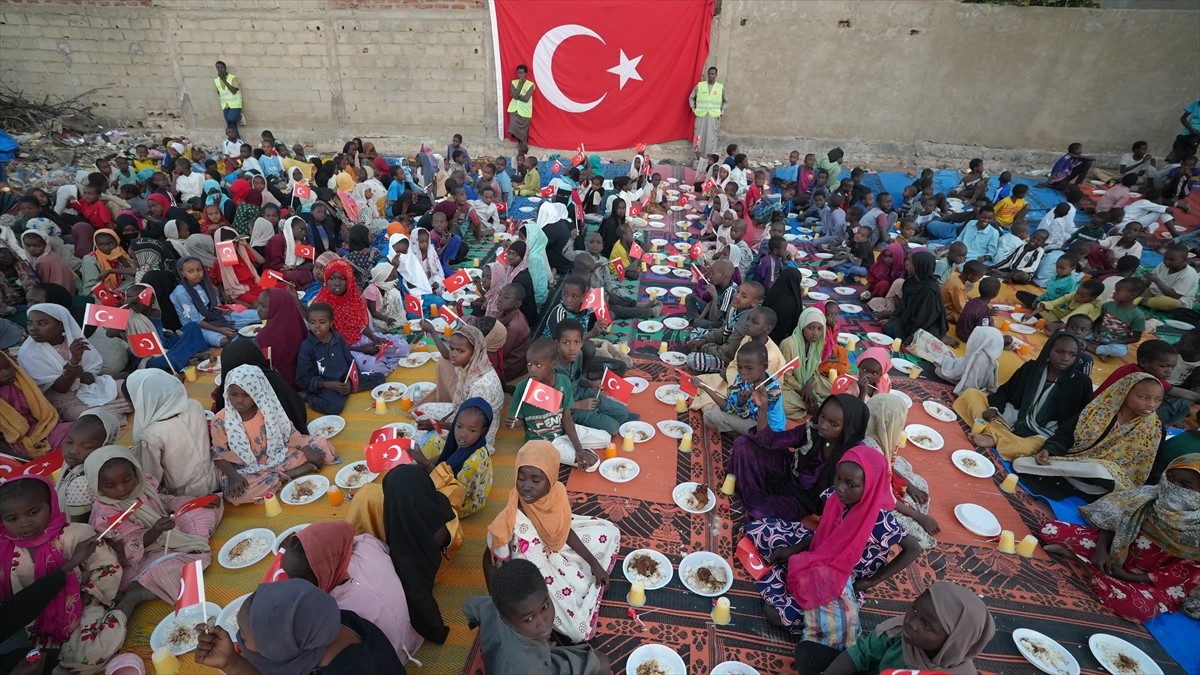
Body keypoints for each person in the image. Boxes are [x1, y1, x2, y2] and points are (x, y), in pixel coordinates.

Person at [744, 447, 920, 641]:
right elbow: (824, 533)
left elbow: (913, 549)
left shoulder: (880, 521)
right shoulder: (836, 498)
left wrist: (873, 581)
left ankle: (793, 604)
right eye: (838, 478)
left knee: (777, 614)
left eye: (851, 485)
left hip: (842, 577)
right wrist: (792, 550)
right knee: (762, 531)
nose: (840, 487)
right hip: (821, 550)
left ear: (871, 486)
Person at [485, 441, 620, 643]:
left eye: (535, 480)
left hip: (556, 546)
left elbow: (564, 530)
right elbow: (488, 558)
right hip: (534, 573)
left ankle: (582, 572)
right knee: (577, 630)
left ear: (551, 479)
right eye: (521, 478)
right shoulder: (512, 520)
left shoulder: (557, 493)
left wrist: (593, 564)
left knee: (610, 532)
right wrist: (498, 603)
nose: (526, 486)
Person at [1039, 454, 1200, 622]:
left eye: (1185, 486)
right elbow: (1113, 521)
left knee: (1138, 609)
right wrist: (1101, 550)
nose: (1173, 487)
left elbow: (1183, 573)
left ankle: (1086, 565)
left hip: (1149, 580)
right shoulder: (1146, 496)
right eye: (1170, 478)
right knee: (1051, 530)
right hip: (1113, 554)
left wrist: (1130, 577)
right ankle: (1098, 570)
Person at [0, 476, 126, 674]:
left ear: (51, 504)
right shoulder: (4, 549)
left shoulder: (76, 534)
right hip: (31, 621)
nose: (24, 523)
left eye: (33, 512)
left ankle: (130, 602)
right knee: (41, 662)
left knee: (88, 657)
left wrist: (90, 594)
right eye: (12, 519)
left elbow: (106, 566)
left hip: (80, 604)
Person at [84, 446, 219, 617]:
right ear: (97, 486)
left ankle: (183, 549)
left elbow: (165, 501)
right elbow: (130, 543)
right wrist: (155, 531)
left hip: (164, 532)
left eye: (127, 480)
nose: (121, 489)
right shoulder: (106, 513)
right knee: (164, 569)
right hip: (141, 556)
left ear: (136, 473)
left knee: (202, 509)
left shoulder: (142, 487)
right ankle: (137, 592)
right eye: (110, 486)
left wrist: (195, 503)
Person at [279, 521, 423, 664]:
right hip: (414, 629)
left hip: (391, 656)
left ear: (323, 574)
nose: (291, 582)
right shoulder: (367, 545)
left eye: (301, 578)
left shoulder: (334, 608)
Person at [193, 578, 406, 674]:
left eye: (244, 637)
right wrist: (230, 662)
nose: (239, 640)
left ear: (281, 648)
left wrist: (233, 665)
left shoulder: (360, 669)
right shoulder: (327, 623)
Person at [794, 582, 995, 675]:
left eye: (927, 625)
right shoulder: (899, 632)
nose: (912, 623)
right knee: (807, 653)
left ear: (954, 641)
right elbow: (861, 653)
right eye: (914, 609)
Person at [1016, 372, 1164, 496]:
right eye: (1144, 398)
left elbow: (1149, 464)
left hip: (1108, 477)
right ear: (1124, 392)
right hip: (1077, 463)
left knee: (1098, 471)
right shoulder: (1098, 411)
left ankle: (1072, 479)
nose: (1152, 405)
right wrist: (1049, 450)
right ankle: (1074, 480)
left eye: (1158, 400)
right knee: (1021, 463)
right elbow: (1066, 435)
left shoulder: (1155, 429)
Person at [728, 394, 870, 521]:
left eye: (834, 424)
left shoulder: (852, 459)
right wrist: (762, 409)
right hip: (789, 470)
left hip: (803, 500)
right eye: (823, 416)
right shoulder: (814, 428)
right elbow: (771, 441)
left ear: (848, 429)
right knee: (743, 444)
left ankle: (758, 499)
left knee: (762, 512)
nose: (823, 425)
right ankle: (749, 490)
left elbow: (849, 498)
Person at [211, 364, 338, 505]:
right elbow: (219, 454)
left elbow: (289, 433)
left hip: (278, 455)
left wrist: (306, 449)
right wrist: (234, 477)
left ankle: (275, 479)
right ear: (227, 392)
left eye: (246, 395)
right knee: (239, 494)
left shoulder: (267, 408)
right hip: (246, 468)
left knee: (321, 446)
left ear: (257, 393)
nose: (239, 400)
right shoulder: (220, 420)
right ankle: (290, 474)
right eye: (234, 394)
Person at [954, 331, 1092, 460]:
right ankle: (999, 435)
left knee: (1031, 447)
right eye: (1059, 352)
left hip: (1043, 431)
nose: (1065, 358)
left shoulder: (1081, 383)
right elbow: (1005, 390)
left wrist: (1052, 447)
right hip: (1012, 416)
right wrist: (994, 408)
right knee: (970, 394)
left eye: (1072, 355)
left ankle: (994, 437)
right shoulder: (1030, 368)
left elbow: (1078, 420)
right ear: (1048, 350)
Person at [466, 558, 610, 675]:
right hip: (527, 663)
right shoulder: (531, 667)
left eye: (544, 607)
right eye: (529, 619)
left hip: (505, 659)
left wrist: (475, 623)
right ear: (507, 621)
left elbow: (470, 607)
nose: (542, 622)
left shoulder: (495, 606)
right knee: (602, 663)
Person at [19, 303, 130, 423]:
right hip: (64, 402)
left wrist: (81, 374)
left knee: (129, 388)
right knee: (99, 418)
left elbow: (91, 379)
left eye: (42, 323)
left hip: (90, 388)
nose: (33, 328)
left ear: (61, 325)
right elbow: (61, 389)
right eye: (30, 323)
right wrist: (74, 361)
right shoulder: (29, 353)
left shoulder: (74, 342)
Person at [507, 338, 607, 471]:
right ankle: (562, 450)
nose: (532, 369)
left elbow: (567, 418)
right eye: (529, 364)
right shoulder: (523, 387)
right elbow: (519, 421)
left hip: (563, 431)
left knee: (606, 438)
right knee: (592, 464)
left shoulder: (563, 382)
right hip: (544, 441)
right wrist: (514, 422)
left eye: (538, 365)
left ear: (553, 364)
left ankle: (570, 447)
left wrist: (578, 449)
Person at [864, 393, 939, 549]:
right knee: (914, 532)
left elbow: (887, 466)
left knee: (913, 479)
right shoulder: (872, 451)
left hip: (878, 483)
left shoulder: (869, 433)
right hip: (869, 499)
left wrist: (909, 485)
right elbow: (882, 495)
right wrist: (919, 517)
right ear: (887, 424)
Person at [127, 369, 219, 498]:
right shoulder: (195, 405)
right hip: (214, 480)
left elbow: (151, 477)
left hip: (183, 495)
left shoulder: (151, 435)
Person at [413, 322, 504, 445]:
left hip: (474, 434)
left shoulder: (481, 386)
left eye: (460, 351)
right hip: (462, 414)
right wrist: (445, 418)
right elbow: (462, 403)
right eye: (452, 349)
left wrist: (438, 424)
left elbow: (472, 426)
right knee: (423, 409)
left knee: (420, 441)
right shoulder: (469, 366)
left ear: (475, 351)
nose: (453, 354)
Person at [313, 259, 409, 373]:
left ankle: (380, 356)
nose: (337, 283)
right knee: (378, 369)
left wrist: (374, 338)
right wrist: (360, 349)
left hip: (361, 338)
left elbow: (361, 325)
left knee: (403, 348)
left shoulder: (352, 296)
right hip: (342, 348)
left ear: (349, 279)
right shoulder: (320, 305)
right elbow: (326, 342)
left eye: (342, 278)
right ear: (326, 279)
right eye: (332, 278)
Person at [296, 303, 387, 415]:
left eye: (322, 322)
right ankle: (308, 397)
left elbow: (350, 361)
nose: (317, 326)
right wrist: (327, 384)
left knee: (379, 378)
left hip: (344, 379)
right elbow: (302, 379)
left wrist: (350, 381)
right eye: (312, 322)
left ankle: (346, 389)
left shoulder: (338, 338)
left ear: (331, 323)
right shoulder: (306, 347)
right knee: (334, 407)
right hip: (326, 385)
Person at [410, 399, 495, 518]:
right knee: (434, 441)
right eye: (459, 426)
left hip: (462, 500)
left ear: (483, 431)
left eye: (472, 430)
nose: (463, 434)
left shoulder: (472, 463)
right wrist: (423, 464)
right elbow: (446, 455)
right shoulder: (465, 441)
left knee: (417, 505)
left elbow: (454, 491)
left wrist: (426, 464)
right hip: (451, 478)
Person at [693, 340, 786, 435]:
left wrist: (742, 403)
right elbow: (729, 407)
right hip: (750, 418)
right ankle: (745, 437)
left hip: (769, 430)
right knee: (709, 416)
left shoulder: (773, 391)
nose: (743, 372)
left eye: (749, 368)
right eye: (740, 367)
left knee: (715, 415)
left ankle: (747, 439)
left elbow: (744, 414)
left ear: (765, 366)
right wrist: (704, 387)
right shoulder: (742, 379)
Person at [780, 306, 849, 420]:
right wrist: (803, 392)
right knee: (783, 405)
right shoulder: (789, 345)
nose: (815, 333)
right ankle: (814, 406)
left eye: (820, 329)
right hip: (789, 385)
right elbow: (786, 378)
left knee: (835, 391)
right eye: (810, 328)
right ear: (802, 326)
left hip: (809, 380)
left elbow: (814, 369)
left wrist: (808, 386)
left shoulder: (818, 343)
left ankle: (815, 405)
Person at [0, 351, 70, 460]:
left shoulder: (21, 383)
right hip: (17, 444)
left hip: (42, 428)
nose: (7, 372)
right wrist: (20, 459)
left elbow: (42, 410)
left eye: (8, 366)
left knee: (78, 431)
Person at [883, 251, 953, 346]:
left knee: (916, 342)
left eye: (911, 262)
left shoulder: (930, 290)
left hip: (924, 326)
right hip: (908, 320)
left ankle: (941, 339)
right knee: (888, 328)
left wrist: (911, 336)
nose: (907, 263)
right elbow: (903, 306)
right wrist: (892, 318)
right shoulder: (909, 282)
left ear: (920, 266)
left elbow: (924, 318)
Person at [254, 286, 307, 388]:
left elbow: (264, 363)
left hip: (279, 385)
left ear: (276, 307)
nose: (258, 309)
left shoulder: (266, 336)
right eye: (259, 304)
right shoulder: (298, 323)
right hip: (301, 380)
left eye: (263, 306)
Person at [936, 326, 1004, 396]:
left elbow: (971, 381)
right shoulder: (991, 357)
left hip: (968, 382)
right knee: (946, 364)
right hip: (977, 381)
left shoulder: (980, 357)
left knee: (939, 371)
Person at [264, 215, 316, 289]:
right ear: (290, 228)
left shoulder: (300, 241)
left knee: (310, 271)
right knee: (294, 276)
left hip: (295, 270)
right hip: (275, 272)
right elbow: (275, 265)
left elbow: (310, 258)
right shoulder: (278, 240)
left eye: (305, 231)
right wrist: (298, 267)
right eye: (300, 229)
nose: (304, 233)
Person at [1143, 243, 1199, 311]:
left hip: (1176, 300)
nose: (1167, 262)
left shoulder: (1189, 274)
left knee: (1166, 303)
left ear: (1186, 260)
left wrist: (1157, 280)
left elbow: (1175, 296)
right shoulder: (1164, 265)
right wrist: (1144, 281)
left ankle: (1142, 300)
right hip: (1156, 292)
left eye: (1172, 260)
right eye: (1165, 258)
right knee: (1137, 289)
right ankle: (1146, 301)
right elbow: (1149, 281)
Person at [690, 66, 726, 156]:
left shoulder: (720, 87)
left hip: (713, 116)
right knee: (698, 136)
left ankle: (710, 158)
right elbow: (691, 97)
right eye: (709, 74)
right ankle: (697, 157)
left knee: (711, 137)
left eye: (713, 74)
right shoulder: (700, 86)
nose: (711, 76)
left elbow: (726, 101)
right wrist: (693, 109)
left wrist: (721, 112)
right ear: (707, 74)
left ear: (716, 75)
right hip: (701, 115)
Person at [506, 65, 535, 151]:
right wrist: (519, 84)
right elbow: (513, 95)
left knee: (523, 133)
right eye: (518, 73)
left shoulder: (530, 84)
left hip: (525, 112)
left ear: (525, 74)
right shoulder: (514, 82)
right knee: (513, 128)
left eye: (522, 73)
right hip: (514, 110)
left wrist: (517, 96)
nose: (520, 75)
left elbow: (526, 99)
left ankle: (523, 150)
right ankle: (520, 146)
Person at [213, 61, 242, 134]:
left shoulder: (232, 78)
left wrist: (224, 80)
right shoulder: (216, 80)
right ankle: (237, 139)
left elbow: (234, 91)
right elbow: (219, 92)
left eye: (222, 67)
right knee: (231, 126)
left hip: (235, 104)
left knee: (231, 118)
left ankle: (239, 117)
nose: (220, 69)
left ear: (225, 68)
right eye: (218, 67)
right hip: (225, 105)